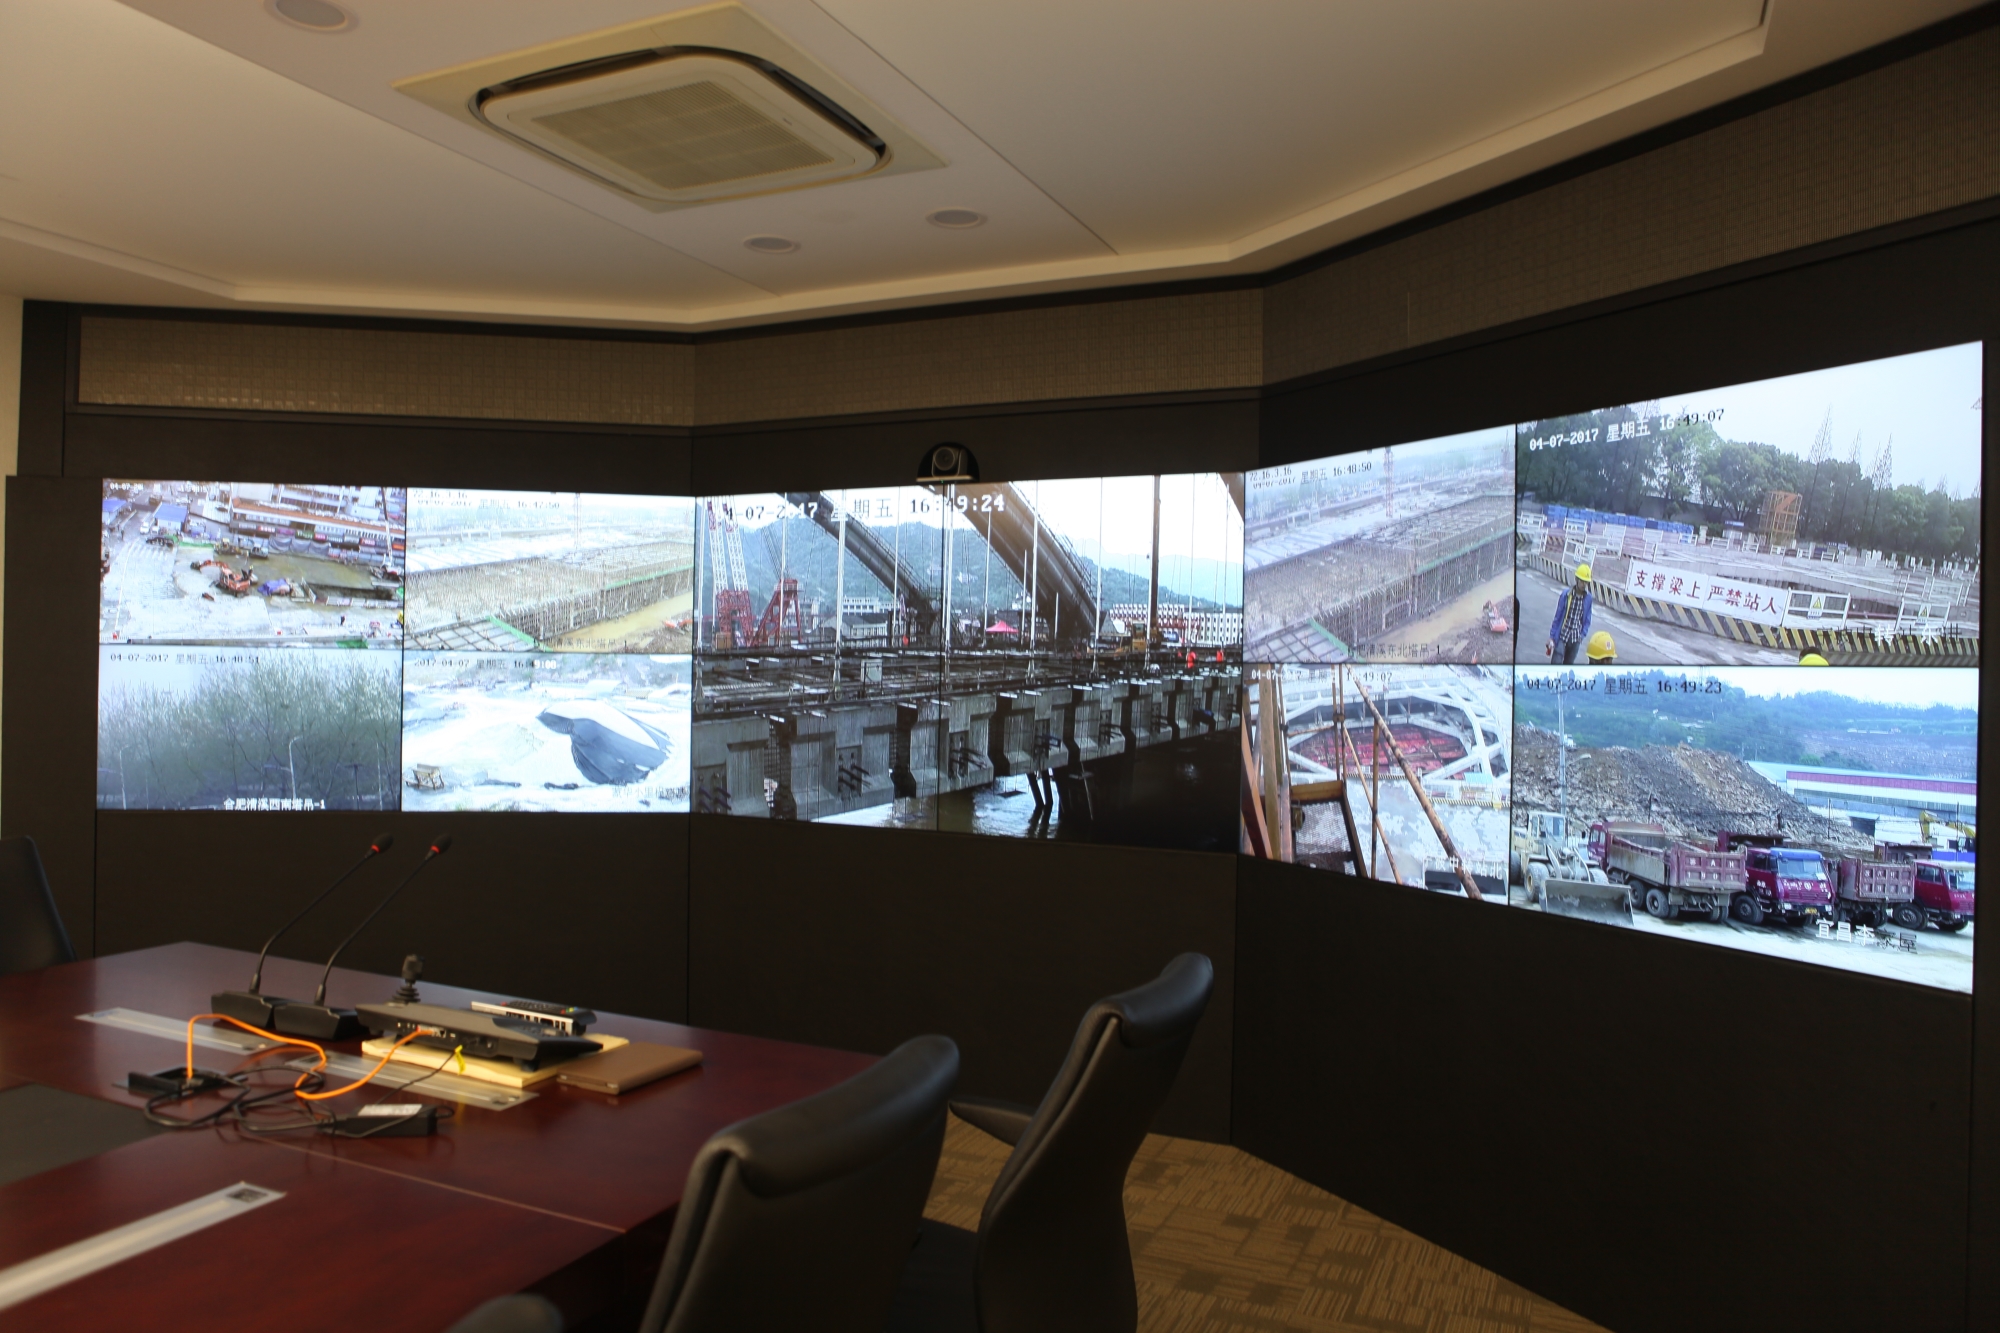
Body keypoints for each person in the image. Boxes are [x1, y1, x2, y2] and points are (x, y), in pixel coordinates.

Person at [1545, 564, 1594, 664]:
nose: (1584, 584)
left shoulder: (1588, 598)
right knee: (1556, 662)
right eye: (1582, 581)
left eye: (1586, 582)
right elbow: (1558, 617)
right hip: (1563, 635)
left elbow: (1587, 619)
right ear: (1576, 579)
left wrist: (1582, 635)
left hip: (1575, 638)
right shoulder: (1566, 595)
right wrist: (1552, 636)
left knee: (1568, 665)